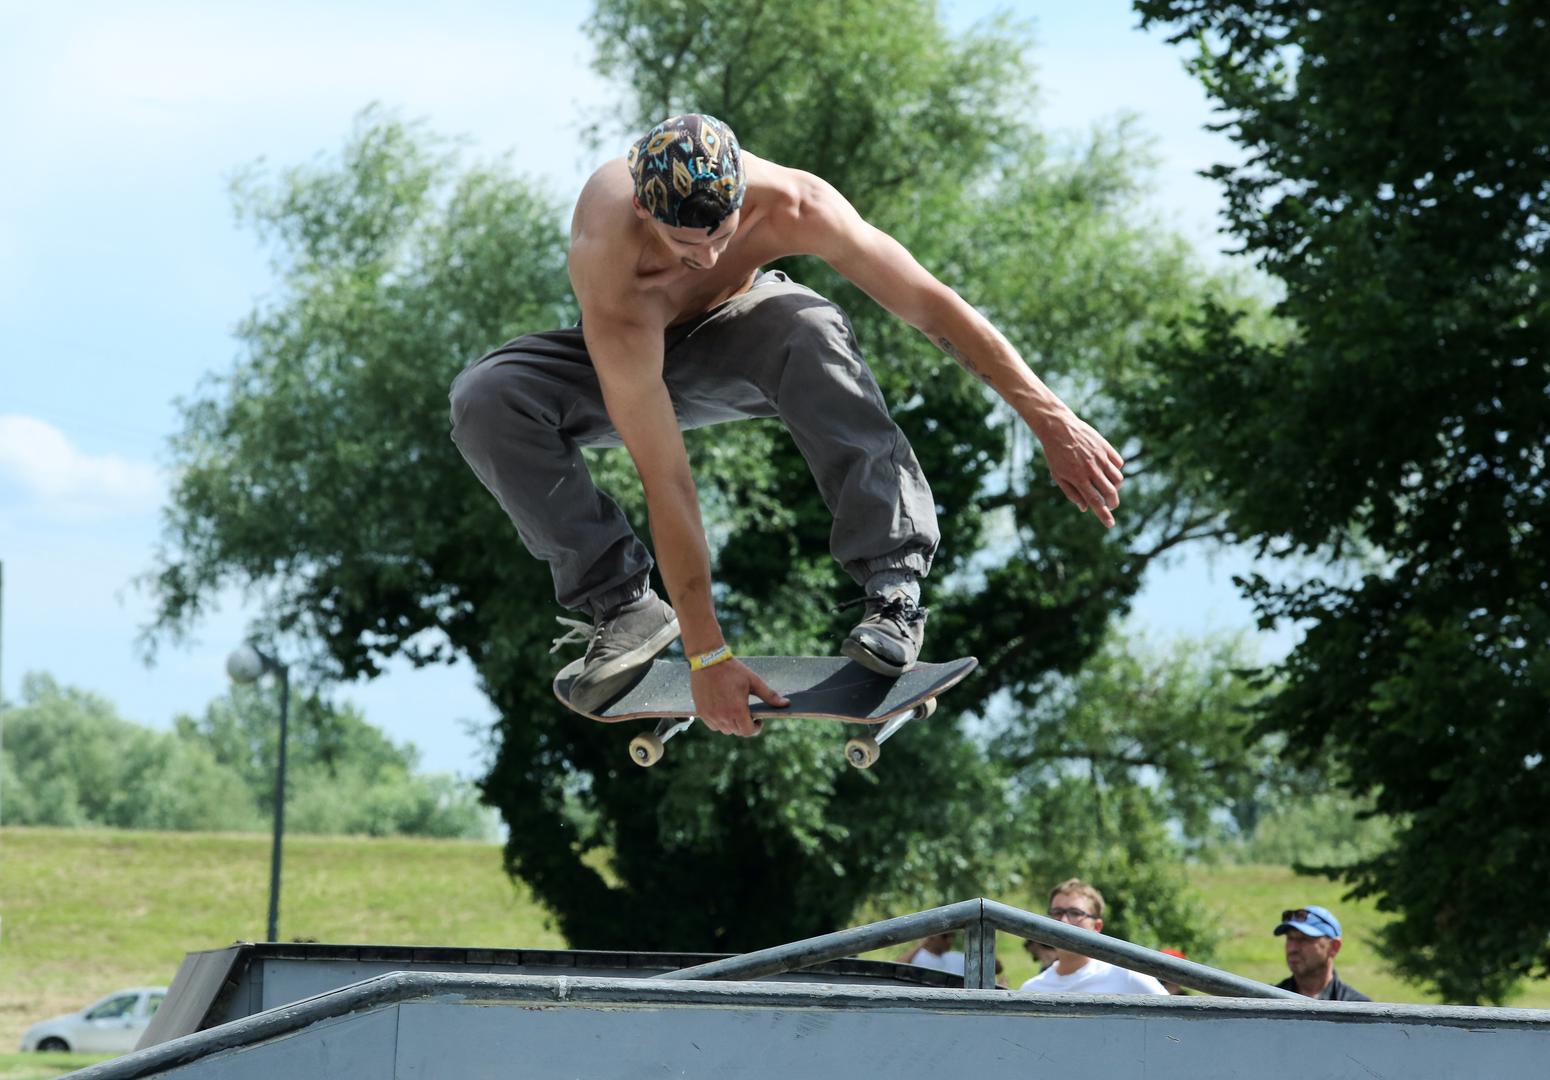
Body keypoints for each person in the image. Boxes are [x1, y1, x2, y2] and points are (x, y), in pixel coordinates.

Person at [450, 113, 1125, 725]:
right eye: (685, 250)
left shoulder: (801, 205)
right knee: (487, 398)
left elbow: (930, 305)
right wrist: (707, 655)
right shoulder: (611, 262)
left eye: (720, 237)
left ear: (742, 197)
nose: (708, 260)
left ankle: (893, 589)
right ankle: (624, 608)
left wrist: (1050, 419)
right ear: (641, 209)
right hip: (630, 355)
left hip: (749, 342)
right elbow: (668, 481)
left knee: (809, 324)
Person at [1018, 879, 1168, 996]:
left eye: (1075, 913)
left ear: (1096, 927)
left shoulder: (1126, 976)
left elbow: (1179, 1021)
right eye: (1057, 912)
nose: (1063, 921)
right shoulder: (1032, 990)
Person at [1274, 905, 1371, 1001]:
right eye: (1290, 938)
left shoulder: (1358, 1008)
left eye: (1304, 939)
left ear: (1334, 947)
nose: (1292, 948)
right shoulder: (1270, 1000)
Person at [897, 932, 964, 976]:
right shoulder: (919, 956)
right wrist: (921, 944)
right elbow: (897, 967)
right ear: (931, 937)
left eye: (952, 936)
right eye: (944, 936)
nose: (950, 940)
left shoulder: (958, 957)